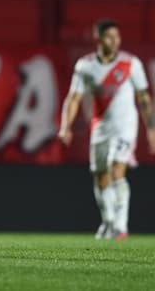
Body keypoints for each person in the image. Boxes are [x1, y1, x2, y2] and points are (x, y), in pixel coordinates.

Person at [58, 19, 155, 239]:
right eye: (110, 36)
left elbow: (144, 99)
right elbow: (74, 98)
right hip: (100, 128)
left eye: (117, 37)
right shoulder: (86, 65)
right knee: (101, 176)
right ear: (98, 38)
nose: (115, 41)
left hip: (125, 128)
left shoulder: (131, 64)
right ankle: (108, 221)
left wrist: (151, 130)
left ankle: (121, 226)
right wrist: (66, 127)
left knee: (116, 169)